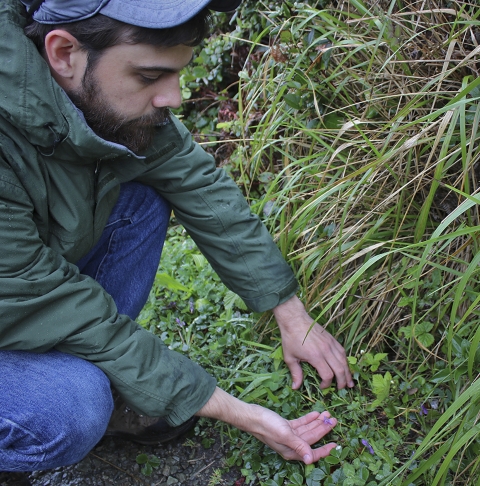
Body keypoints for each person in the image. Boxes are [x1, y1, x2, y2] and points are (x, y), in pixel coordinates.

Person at [0, 0, 353, 473]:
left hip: (22, 294)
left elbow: (199, 186)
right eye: (149, 77)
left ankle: (107, 383)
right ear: (63, 53)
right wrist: (234, 409)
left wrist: (291, 314)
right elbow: (55, 303)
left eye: (178, 73)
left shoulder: (99, 101)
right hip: (22, 295)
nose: (174, 97)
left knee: (143, 197)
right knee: (69, 409)